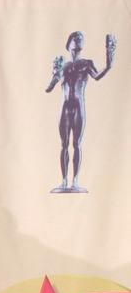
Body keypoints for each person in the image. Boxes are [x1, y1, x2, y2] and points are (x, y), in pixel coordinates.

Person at [45, 31, 116, 193]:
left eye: (81, 39)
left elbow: (97, 76)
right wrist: (53, 76)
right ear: (69, 43)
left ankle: (75, 180)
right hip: (64, 106)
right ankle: (64, 180)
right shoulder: (62, 65)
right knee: (64, 144)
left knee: (76, 143)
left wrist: (109, 65)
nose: (79, 41)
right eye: (76, 38)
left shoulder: (86, 63)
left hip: (78, 105)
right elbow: (48, 88)